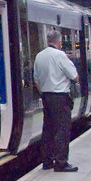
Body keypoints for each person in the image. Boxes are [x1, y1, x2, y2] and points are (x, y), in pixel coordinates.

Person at [33, 29, 79, 172]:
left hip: (46, 96)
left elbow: (36, 79)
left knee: (48, 129)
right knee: (62, 129)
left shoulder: (39, 56)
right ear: (59, 41)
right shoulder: (60, 55)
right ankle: (61, 162)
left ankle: (47, 161)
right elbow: (74, 76)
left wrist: (44, 92)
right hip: (60, 97)